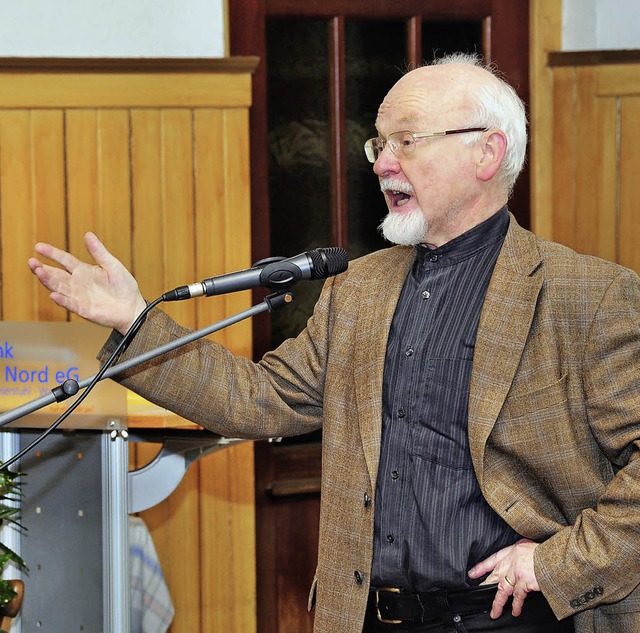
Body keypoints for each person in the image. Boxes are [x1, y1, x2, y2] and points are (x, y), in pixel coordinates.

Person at [28, 53, 640, 633]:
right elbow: (260, 398)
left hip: (514, 619)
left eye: (407, 141)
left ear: (487, 152)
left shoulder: (588, 296)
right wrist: (134, 318)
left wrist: (555, 564)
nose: (381, 163)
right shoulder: (360, 289)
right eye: (380, 143)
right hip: (368, 616)